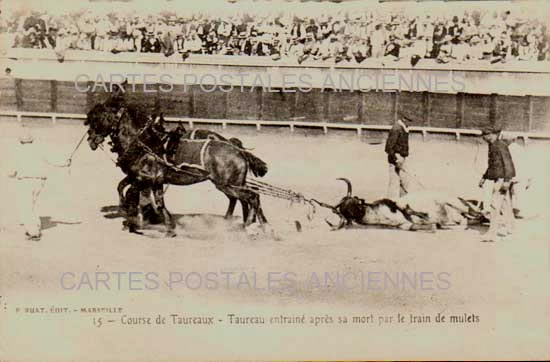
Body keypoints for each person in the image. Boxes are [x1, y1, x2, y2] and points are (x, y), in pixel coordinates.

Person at [7, 125, 71, 241]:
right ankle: (35, 227)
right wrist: (65, 163)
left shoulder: (18, 151)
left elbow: (11, 171)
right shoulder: (40, 149)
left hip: (25, 180)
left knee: (26, 206)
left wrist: (10, 175)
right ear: (32, 139)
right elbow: (52, 160)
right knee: (34, 204)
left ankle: (33, 232)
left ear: (20, 140)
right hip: (40, 181)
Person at [478, 127, 516, 242]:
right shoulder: (493, 145)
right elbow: (492, 165)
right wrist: (484, 177)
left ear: (492, 134)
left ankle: (492, 234)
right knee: (506, 206)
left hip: (501, 180)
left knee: (494, 207)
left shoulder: (500, 145)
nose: (483, 137)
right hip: (499, 179)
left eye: (485, 135)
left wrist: (507, 181)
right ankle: (510, 229)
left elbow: (508, 163)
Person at [385, 114, 412, 199]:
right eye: (409, 121)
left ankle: (403, 201)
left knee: (404, 181)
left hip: (401, 157)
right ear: (404, 119)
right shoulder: (396, 128)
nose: (410, 123)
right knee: (394, 181)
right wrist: (395, 159)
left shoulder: (402, 128)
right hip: (396, 158)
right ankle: (391, 202)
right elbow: (389, 147)